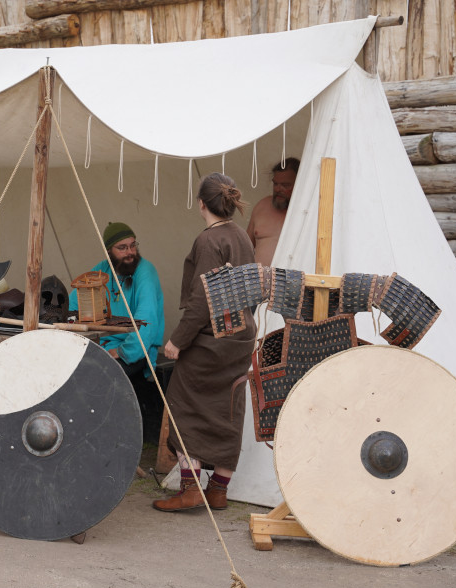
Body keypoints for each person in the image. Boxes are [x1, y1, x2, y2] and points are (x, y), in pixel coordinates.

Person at [153, 173, 257, 513]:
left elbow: (202, 299)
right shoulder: (241, 236)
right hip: (240, 337)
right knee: (229, 412)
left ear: (201, 204)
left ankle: (191, 490)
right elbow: (252, 289)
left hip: (211, 340)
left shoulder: (208, 241)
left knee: (183, 405)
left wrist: (177, 341)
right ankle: (218, 491)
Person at [70, 222, 165, 441]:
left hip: (138, 350)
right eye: (122, 248)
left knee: (98, 379)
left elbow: (147, 325)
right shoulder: (102, 270)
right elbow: (75, 303)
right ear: (109, 251)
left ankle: (103, 438)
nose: (130, 252)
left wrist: (121, 352)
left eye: (133, 246)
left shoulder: (145, 272)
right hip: (105, 346)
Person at [246, 157, 299, 267]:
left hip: (294, 281)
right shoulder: (261, 207)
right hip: (258, 281)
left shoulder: (307, 211)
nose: (278, 189)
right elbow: (244, 249)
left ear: (299, 183)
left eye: (285, 185)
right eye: (276, 184)